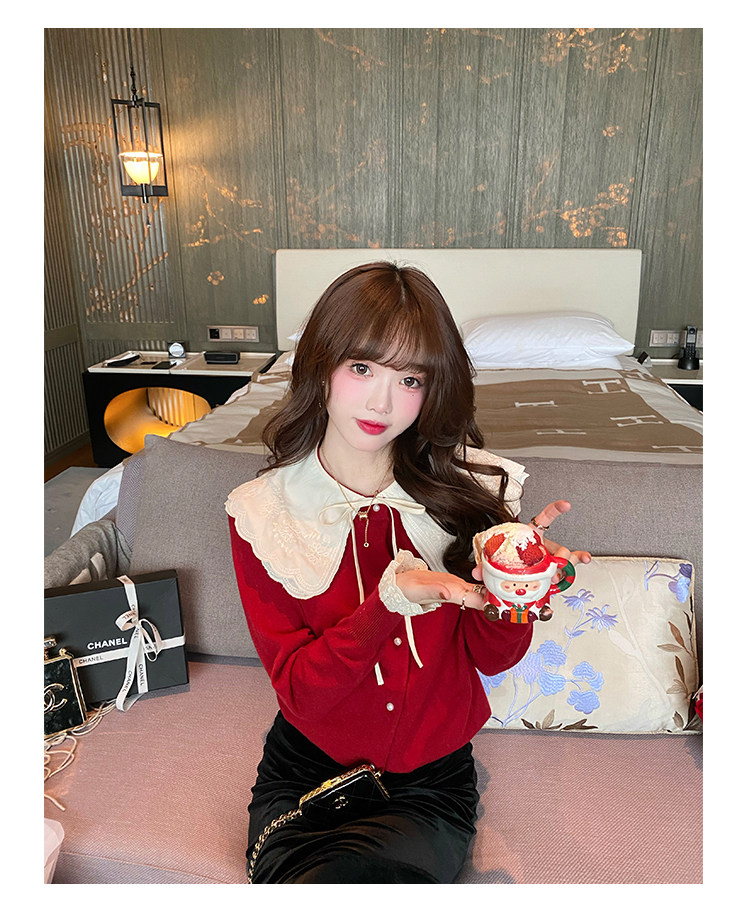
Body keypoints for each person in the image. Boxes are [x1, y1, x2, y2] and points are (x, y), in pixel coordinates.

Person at [226, 261, 590, 884]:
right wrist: (386, 604)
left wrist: (514, 584)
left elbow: (493, 659)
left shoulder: (469, 495)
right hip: (306, 775)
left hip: (432, 780)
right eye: (362, 368)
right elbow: (300, 691)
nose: (382, 402)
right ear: (320, 365)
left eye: (410, 379)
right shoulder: (262, 513)